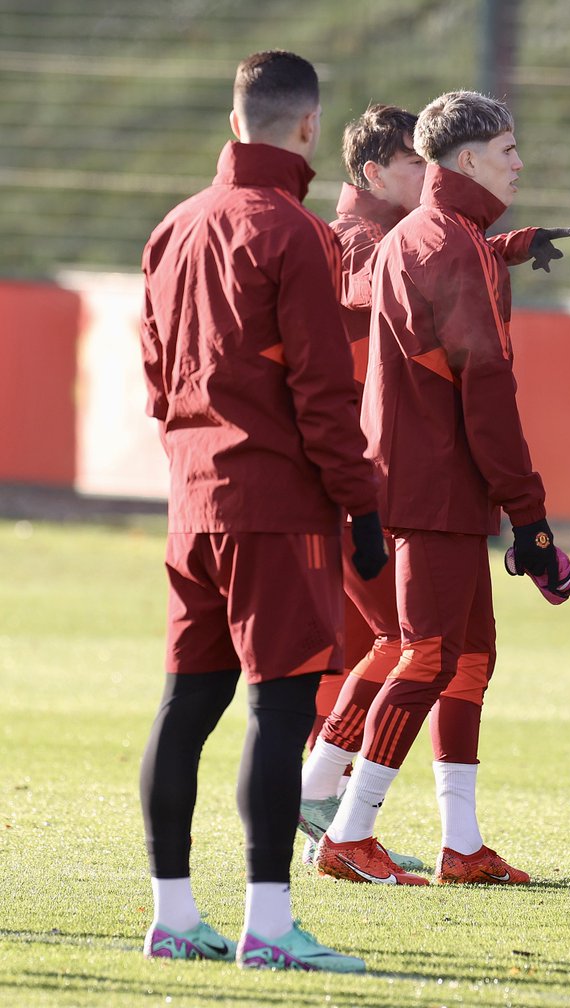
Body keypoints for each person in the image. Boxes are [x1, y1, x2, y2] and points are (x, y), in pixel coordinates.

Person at [138, 50, 388, 972]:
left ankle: (173, 916)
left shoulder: (172, 227)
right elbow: (326, 393)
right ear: (310, 126)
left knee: (185, 706)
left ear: (235, 116)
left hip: (192, 502)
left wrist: (192, 461)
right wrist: (359, 508)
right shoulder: (296, 233)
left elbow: (159, 381)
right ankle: (270, 926)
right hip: (276, 507)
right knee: (281, 713)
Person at [311, 90, 570, 887]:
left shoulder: (435, 236)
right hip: (430, 488)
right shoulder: (448, 245)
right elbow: (485, 390)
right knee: (424, 655)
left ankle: (458, 844)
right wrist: (530, 517)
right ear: (465, 161)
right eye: (506, 150)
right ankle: (344, 831)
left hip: (432, 484)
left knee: (468, 659)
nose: (519, 163)